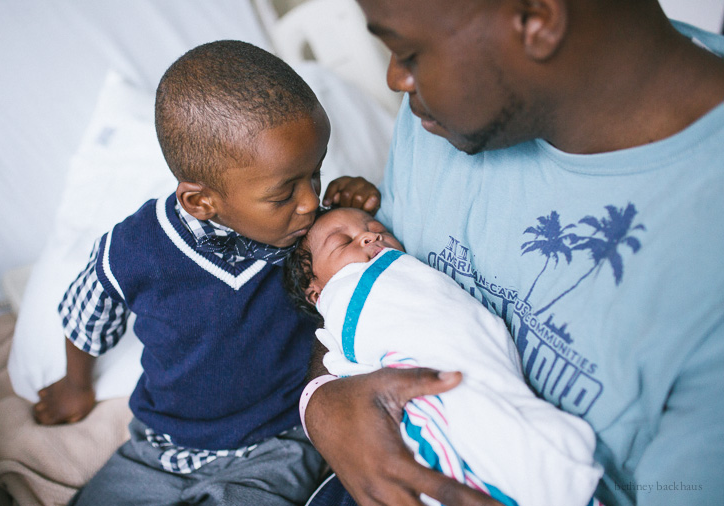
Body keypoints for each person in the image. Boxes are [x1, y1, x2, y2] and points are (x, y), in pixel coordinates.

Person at [300, 1, 724, 506]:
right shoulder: (446, 119)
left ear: (535, 19)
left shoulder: (705, 265)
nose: (396, 79)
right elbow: (357, 303)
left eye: (408, 52)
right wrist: (321, 403)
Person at [31, 40, 381, 505]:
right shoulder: (136, 248)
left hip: (278, 442)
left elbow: (367, 266)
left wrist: (355, 211)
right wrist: (76, 386)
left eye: (314, 175)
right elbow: (88, 313)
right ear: (202, 202)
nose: (307, 202)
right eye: (283, 194)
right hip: (159, 447)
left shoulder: (313, 234)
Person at [284, 207, 603, 506]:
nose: (372, 237)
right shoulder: (349, 300)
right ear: (316, 293)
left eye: (377, 229)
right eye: (342, 241)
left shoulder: (408, 272)